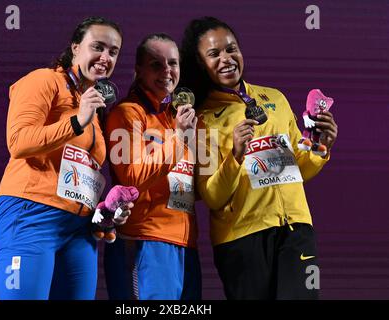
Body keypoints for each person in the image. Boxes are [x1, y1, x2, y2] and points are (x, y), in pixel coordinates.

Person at [179, 16, 338, 300]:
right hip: (241, 239)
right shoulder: (201, 120)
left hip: (296, 230)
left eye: (231, 49)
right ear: (200, 63)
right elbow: (212, 196)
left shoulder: (275, 98)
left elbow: (299, 167)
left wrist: (320, 147)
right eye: (214, 54)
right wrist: (236, 156)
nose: (226, 59)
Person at [0, 16, 133, 300]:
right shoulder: (43, 80)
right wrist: (77, 122)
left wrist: (103, 214)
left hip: (79, 231)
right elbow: (18, 142)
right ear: (76, 47)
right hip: (29, 215)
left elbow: (77, 172)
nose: (106, 57)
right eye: (98, 47)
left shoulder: (92, 104)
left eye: (113, 52)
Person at [103, 33, 201, 300]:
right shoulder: (126, 113)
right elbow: (133, 177)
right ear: (138, 70)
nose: (167, 71)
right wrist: (179, 137)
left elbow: (199, 186)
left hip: (185, 241)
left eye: (173, 63)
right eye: (156, 64)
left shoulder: (180, 117)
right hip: (145, 238)